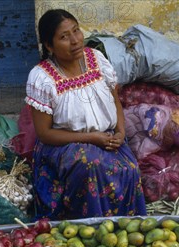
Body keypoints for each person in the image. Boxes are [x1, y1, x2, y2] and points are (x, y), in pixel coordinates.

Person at [26, 9, 147, 220]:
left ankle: (123, 225)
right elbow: (45, 134)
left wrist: (120, 131)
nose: (75, 40)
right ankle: (92, 226)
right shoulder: (42, 78)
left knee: (130, 169)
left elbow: (114, 100)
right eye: (64, 37)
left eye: (76, 31)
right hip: (65, 144)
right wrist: (91, 138)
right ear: (49, 45)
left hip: (106, 135)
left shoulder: (96, 59)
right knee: (91, 166)